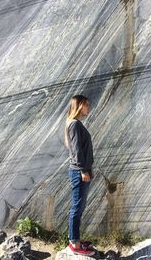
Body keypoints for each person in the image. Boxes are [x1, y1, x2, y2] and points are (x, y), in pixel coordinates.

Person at [64, 95, 95, 256]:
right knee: (77, 207)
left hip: (81, 169)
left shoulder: (74, 123)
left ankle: (75, 239)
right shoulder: (75, 124)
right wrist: (83, 170)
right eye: (86, 105)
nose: (88, 107)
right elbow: (76, 151)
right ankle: (74, 243)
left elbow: (81, 150)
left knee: (79, 207)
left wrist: (88, 169)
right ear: (79, 106)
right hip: (78, 171)